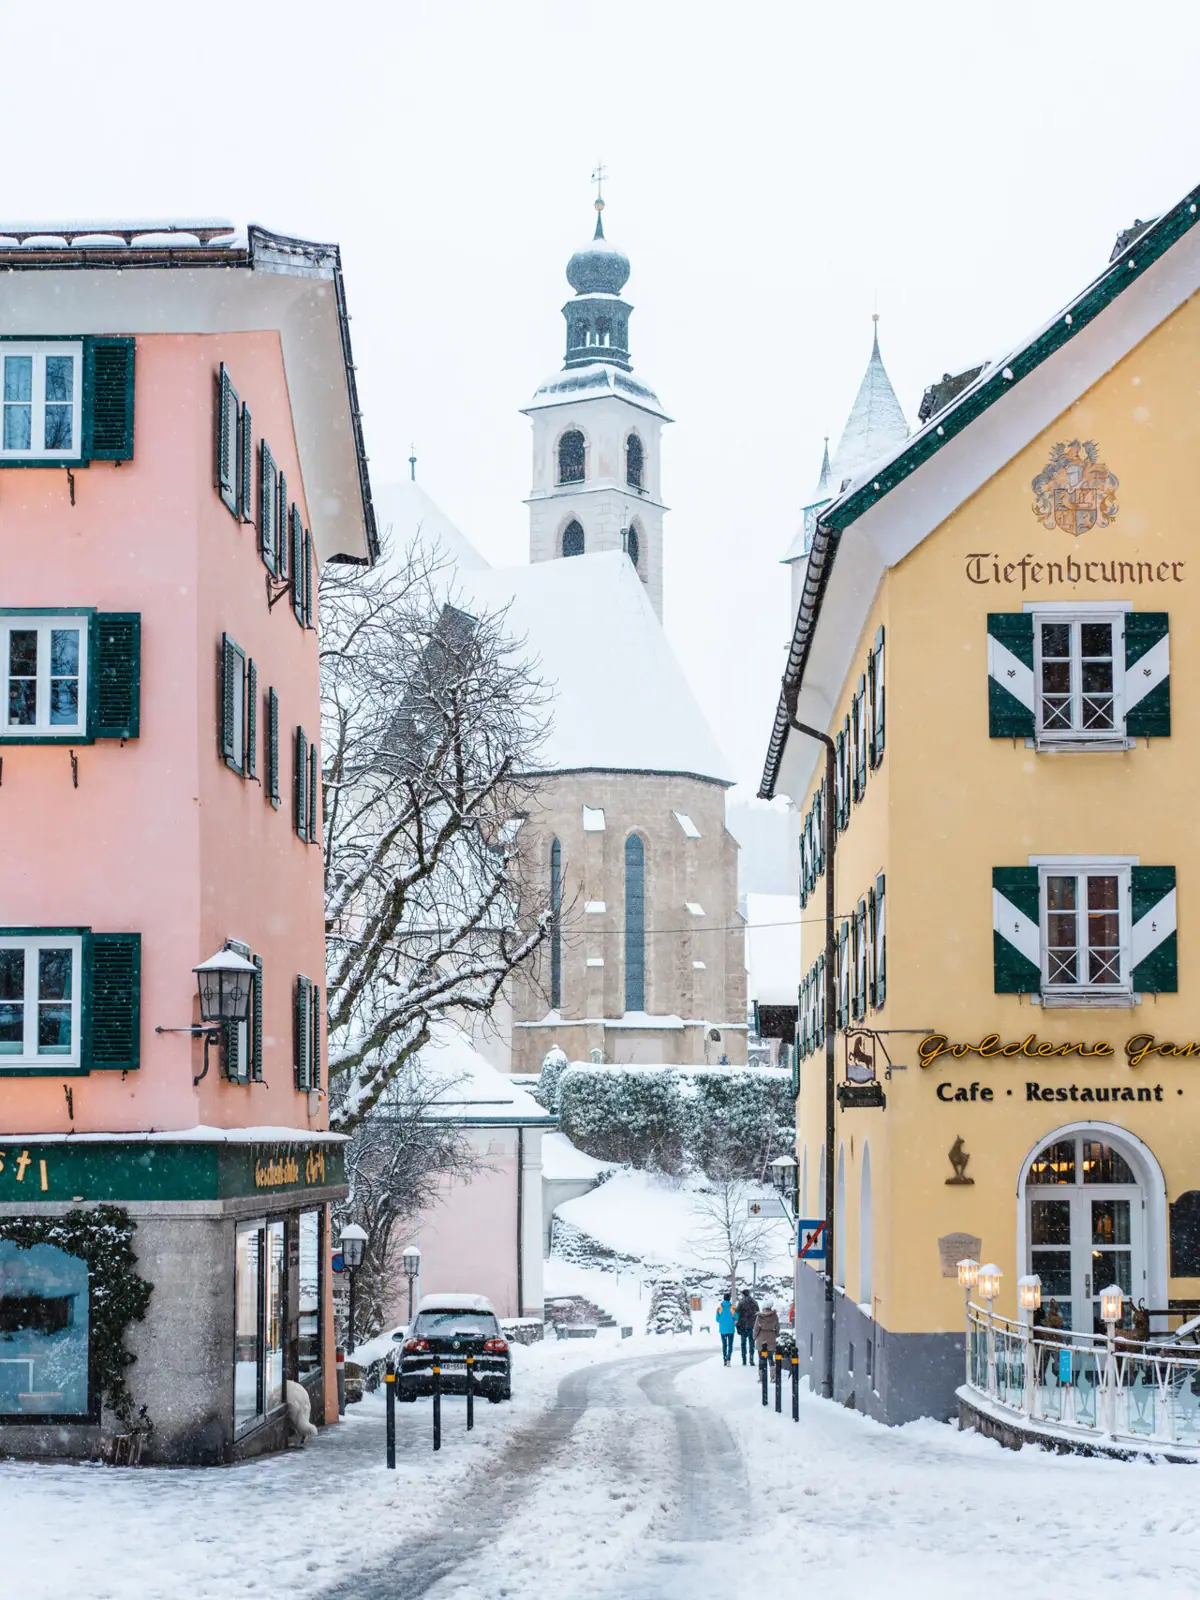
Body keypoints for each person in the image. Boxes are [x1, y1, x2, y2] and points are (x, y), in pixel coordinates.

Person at [753, 1298, 780, 1366]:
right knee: (770, 1357)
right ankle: (773, 1373)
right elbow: (777, 1327)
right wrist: (776, 1334)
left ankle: (762, 1373)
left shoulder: (760, 1316)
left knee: (762, 1358)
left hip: (761, 1338)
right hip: (771, 1337)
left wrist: (754, 1336)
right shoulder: (774, 1316)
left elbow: (756, 1328)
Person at [735, 1287, 759, 1366]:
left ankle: (744, 1360)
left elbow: (737, 1311)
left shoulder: (741, 1302)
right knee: (751, 1343)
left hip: (743, 1325)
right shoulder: (754, 1302)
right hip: (752, 1325)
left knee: (743, 1343)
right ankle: (751, 1359)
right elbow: (758, 1312)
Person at [715, 1293, 737, 1365]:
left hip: (723, 1330)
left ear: (723, 1298)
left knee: (724, 1345)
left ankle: (724, 1359)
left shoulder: (720, 1308)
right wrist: (732, 1321)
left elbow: (717, 1319)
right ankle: (728, 1359)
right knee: (730, 1345)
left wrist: (723, 1321)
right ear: (729, 1299)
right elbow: (737, 1318)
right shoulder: (732, 1308)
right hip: (731, 1329)